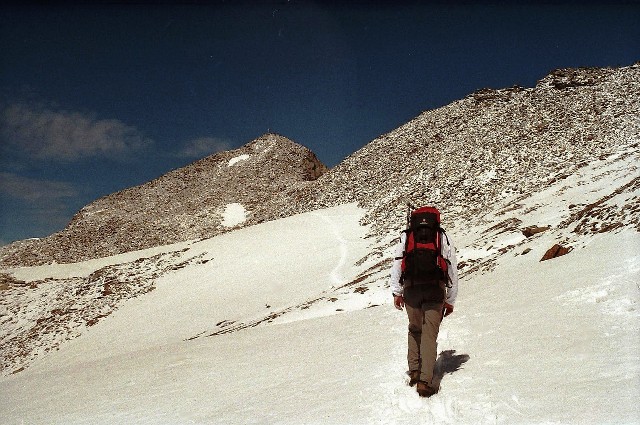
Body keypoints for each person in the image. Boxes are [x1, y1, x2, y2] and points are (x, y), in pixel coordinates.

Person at [389, 214, 459, 398]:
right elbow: (452, 268)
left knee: (414, 329)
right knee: (429, 335)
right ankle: (425, 381)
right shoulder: (442, 236)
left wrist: (397, 292)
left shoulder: (407, 236)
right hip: (435, 290)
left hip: (411, 289)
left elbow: (397, 264)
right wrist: (450, 300)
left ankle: (414, 371)